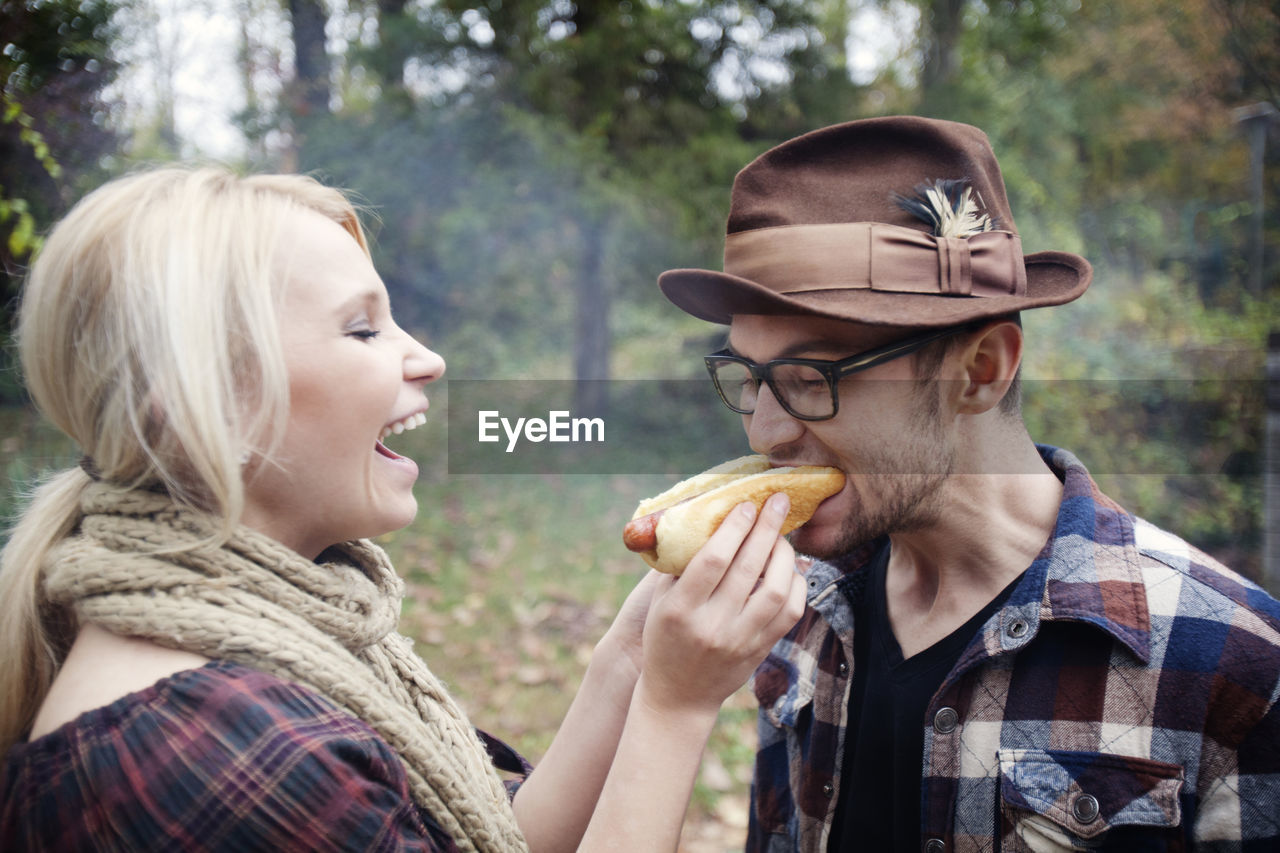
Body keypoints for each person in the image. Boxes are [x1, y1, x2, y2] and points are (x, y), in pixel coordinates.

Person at [0, 166, 808, 852]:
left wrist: (630, 661)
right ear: (196, 403)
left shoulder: (278, 643)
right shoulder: (215, 751)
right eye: (362, 330)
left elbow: (492, 833)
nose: (429, 357)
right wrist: (678, 705)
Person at [654, 116, 1280, 852]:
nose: (764, 431)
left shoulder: (1236, 666)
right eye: (751, 375)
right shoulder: (793, 608)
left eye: (808, 377)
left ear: (980, 369)